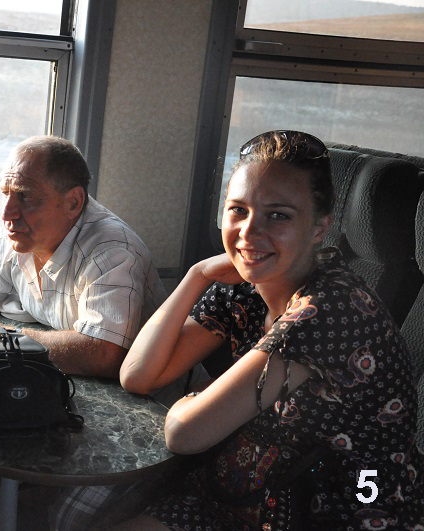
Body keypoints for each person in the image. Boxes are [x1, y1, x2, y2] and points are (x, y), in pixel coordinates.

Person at [116, 130, 423, 529]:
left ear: (319, 228)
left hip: (336, 511)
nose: (248, 231)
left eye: (278, 215)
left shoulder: (332, 310)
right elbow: (138, 375)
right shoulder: (246, 287)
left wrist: (192, 400)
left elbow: (183, 434)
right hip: (251, 492)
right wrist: (196, 276)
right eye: (238, 210)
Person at [0, 135, 168, 378]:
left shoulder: (112, 252)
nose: (7, 213)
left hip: (151, 406)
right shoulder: (19, 233)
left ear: (73, 203)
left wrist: (1, 337)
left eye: (24, 196)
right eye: (5, 194)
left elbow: (103, 353)